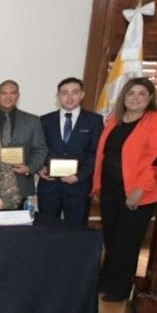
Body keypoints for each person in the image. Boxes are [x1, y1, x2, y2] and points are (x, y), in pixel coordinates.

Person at [92, 77, 157, 302]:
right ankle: (106, 280)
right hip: (110, 190)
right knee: (111, 238)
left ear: (149, 98)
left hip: (138, 193)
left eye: (141, 94)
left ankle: (120, 289)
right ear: (124, 97)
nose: (135, 98)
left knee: (127, 242)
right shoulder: (115, 120)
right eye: (131, 93)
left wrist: (140, 189)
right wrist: (98, 185)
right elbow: (104, 155)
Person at [38, 77, 104, 226]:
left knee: (76, 230)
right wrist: (40, 169)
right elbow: (39, 149)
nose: (69, 97)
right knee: (46, 229)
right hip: (49, 186)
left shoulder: (94, 121)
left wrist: (80, 176)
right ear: (58, 96)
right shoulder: (45, 120)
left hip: (78, 186)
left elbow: (96, 153)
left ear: (82, 95)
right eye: (64, 92)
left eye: (74, 92)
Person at [0, 80, 47, 200]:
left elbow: (40, 149)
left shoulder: (33, 121)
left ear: (18, 95)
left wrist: (29, 168)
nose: (8, 97)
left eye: (12, 93)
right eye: (3, 93)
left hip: (21, 186)